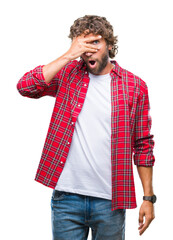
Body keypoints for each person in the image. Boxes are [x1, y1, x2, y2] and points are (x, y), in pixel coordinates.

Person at [16, 15, 156, 240]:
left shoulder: (134, 86)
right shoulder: (67, 74)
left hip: (110, 201)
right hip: (66, 200)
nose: (89, 50)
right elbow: (25, 86)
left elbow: (143, 144)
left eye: (96, 42)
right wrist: (69, 54)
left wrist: (148, 198)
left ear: (110, 44)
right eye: (83, 44)